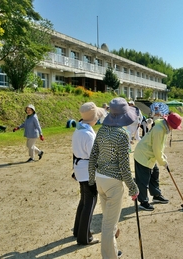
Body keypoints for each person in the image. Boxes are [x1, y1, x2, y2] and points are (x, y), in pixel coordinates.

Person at [88, 97, 139, 259]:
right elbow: (124, 167)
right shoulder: (122, 135)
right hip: (113, 182)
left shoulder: (102, 130)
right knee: (109, 226)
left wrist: (91, 178)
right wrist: (133, 187)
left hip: (100, 179)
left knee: (110, 222)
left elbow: (93, 154)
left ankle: (112, 252)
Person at [134, 112, 182, 211]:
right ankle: (143, 202)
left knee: (154, 173)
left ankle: (156, 195)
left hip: (149, 155)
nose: (174, 128)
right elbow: (156, 149)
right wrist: (163, 162)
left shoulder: (163, 127)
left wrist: (162, 155)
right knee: (143, 180)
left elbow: (158, 146)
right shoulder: (159, 130)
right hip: (143, 155)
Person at [71, 102, 104, 245]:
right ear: (94, 118)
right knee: (90, 202)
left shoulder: (79, 129)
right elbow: (94, 155)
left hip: (80, 168)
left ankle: (78, 230)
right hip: (87, 170)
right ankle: (85, 237)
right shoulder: (87, 134)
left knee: (84, 200)